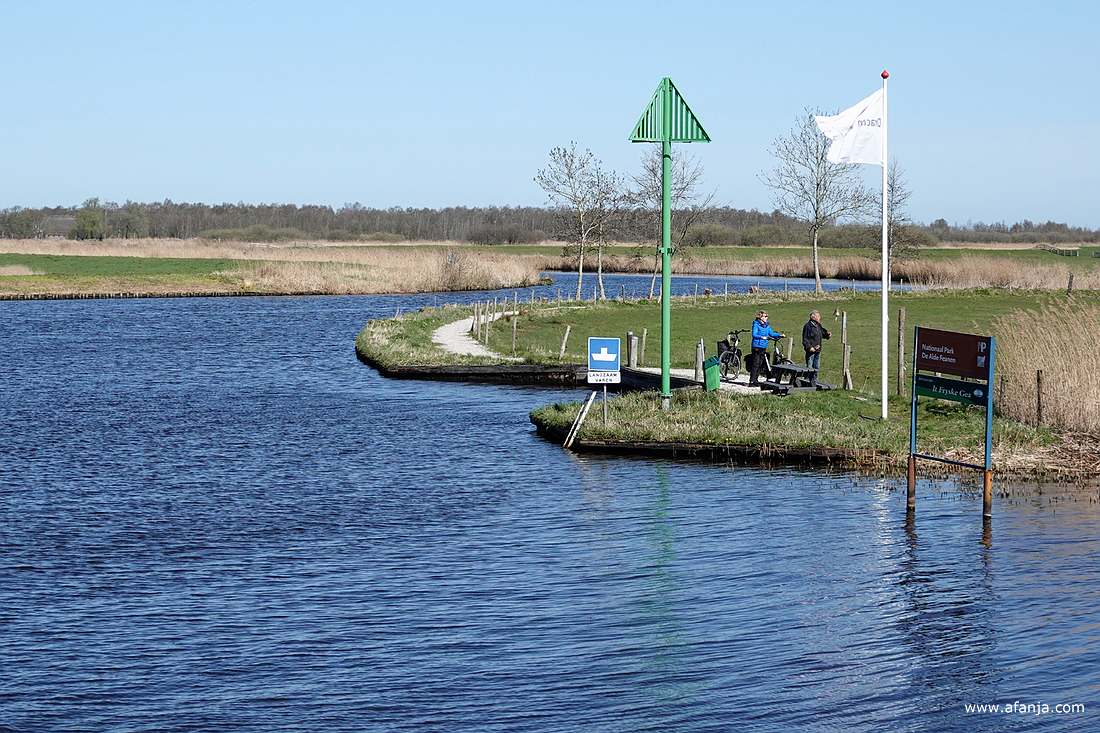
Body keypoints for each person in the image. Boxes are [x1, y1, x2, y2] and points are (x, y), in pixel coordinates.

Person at [749, 310, 784, 385]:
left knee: (760, 363)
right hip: (756, 346)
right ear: (760, 317)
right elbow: (754, 334)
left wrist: (779, 335)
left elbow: (771, 333)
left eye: (767, 316)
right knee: (756, 363)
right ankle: (752, 381)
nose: (766, 318)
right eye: (765, 316)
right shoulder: (756, 324)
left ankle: (756, 380)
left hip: (763, 346)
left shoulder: (767, 326)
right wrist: (762, 337)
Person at [801, 309, 831, 384]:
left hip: (818, 350)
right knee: (809, 367)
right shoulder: (808, 326)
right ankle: (808, 381)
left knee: (816, 367)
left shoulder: (818, 325)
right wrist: (809, 347)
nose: (819, 317)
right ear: (813, 317)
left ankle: (814, 381)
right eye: (818, 316)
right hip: (811, 351)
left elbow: (822, 333)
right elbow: (805, 339)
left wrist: (827, 335)